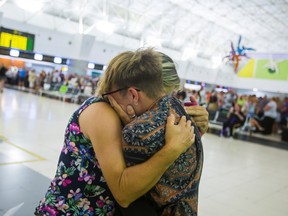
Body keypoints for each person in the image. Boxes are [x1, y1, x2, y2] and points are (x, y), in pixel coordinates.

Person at [35, 48, 197, 215]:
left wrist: (194, 130)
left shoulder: (124, 116)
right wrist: (173, 149)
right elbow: (123, 193)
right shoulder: (102, 113)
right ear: (134, 95)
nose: (162, 111)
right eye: (159, 103)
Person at [100, 51, 204, 215]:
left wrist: (171, 149)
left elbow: (124, 195)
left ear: (133, 94)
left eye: (110, 95)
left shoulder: (137, 132)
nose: (109, 101)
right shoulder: (179, 108)